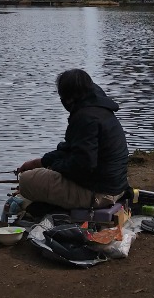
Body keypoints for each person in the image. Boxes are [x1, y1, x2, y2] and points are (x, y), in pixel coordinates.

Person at [16, 69, 129, 210]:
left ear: (69, 98)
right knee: (39, 174)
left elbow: (82, 167)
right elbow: (73, 149)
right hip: (115, 186)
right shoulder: (99, 109)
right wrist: (40, 162)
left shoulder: (85, 117)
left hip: (100, 194)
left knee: (26, 181)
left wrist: (54, 167)